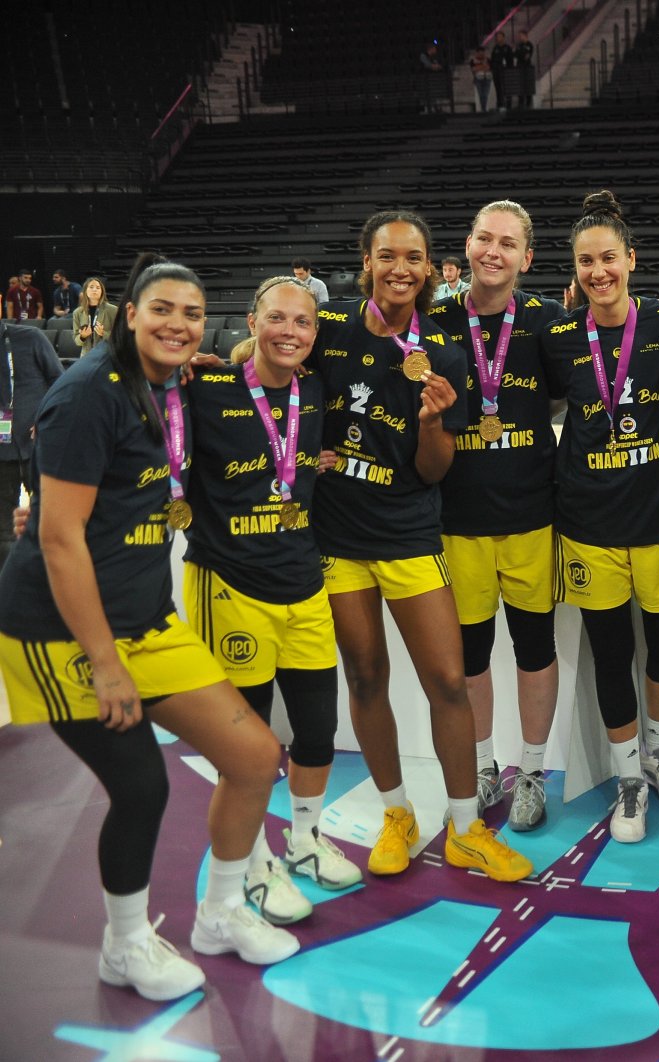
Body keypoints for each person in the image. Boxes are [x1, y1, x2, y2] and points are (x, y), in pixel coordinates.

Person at [0, 254, 298, 1002]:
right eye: (161, 309)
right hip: (58, 629)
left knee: (256, 756)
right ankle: (124, 946)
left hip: (144, 616)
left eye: (192, 314)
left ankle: (222, 914)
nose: (176, 324)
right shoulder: (84, 398)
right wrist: (105, 663)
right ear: (126, 313)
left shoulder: (168, 387)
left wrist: (192, 364)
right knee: (140, 787)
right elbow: (60, 540)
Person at [312, 209, 532, 884]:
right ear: (367, 261)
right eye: (387, 256)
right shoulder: (329, 334)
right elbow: (276, 375)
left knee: (446, 682)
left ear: (434, 267)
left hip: (408, 533)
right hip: (339, 539)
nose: (400, 268)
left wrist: (436, 422)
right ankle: (397, 814)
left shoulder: (446, 354)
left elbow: (435, 469)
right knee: (367, 677)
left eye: (414, 257)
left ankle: (465, 827)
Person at [181, 275, 363, 929]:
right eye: (277, 319)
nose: (291, 331)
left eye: (303, 322)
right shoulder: (205, 389)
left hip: (302, 581)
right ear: (252, 322)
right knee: (249, 747)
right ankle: (253, 862)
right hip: (230, 586)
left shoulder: (313, 391)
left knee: (315, 729)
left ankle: (306, 841)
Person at [536, 190, 659, 843]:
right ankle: (628, 777)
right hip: (587, 523)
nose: (598, 271)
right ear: (574, 269)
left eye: (609, 257)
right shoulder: (557, 337)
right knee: (612, 654)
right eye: (586, 262)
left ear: (632, 259)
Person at [427, 200, 564, 831]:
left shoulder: (546, 320)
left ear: (526, 258)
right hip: (459, 519)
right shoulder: (432, 321)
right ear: (469, 241)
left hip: (532, 515)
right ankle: (484, 766)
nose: (493, 252)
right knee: (472, 657)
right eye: (484, 238)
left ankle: (531, 772)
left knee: (534, 651)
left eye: (508, 244)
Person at [0, 318, 65, 565]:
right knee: (4, 532)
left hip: (38, 448)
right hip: (1, 455)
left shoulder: (31, 338)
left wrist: (45, 418)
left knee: (52, 521)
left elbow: (61, 383)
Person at [74, 276, 117, 353]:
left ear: (102, 291)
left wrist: (103, 333)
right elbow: (76, 340)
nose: (94, 290)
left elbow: (118, 336)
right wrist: (82, 336)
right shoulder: (77, 312)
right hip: (86, 356)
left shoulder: (113, 310)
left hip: (106, 354)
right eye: (91, 287)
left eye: (98, 287)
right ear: (85, 291)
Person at [491, 31, 514, 109]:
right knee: (498, 87)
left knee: (506, 88)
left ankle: (508, 104)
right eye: (497, 37)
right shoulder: (495, 48)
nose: (498, 38)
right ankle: (499, 104)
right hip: (496, 71)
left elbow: (511, 60)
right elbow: (492, 60)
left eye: (500, 36)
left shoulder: (507, 48)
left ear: (503, 37)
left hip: (505, 71)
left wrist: (509, 70)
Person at [513, 30, 535, 107]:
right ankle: (520, 102)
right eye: (519, 36)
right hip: (519, 67)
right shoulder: (518, 45)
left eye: (521, 36)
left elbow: (526, 57)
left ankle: (528, 102)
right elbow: (515, 55)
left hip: (527, 67)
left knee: (528, 85)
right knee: (520, 85)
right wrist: (520, 54)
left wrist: (521, 54)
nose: (519, 37)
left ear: (525, 36)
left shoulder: (529, 45)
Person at [470, 47, 493, 112]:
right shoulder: (473, 61)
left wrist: (480, 67)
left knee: (485, 95)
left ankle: (484, 109)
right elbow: (474, 69)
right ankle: (483, 109)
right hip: (478, 79)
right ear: (477, 53)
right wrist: (483, 66)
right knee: (480, 95)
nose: (481, 54)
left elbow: (489, 68)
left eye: (482, 53)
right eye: (479, 53)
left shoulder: (488, 60)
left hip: (487, 79)